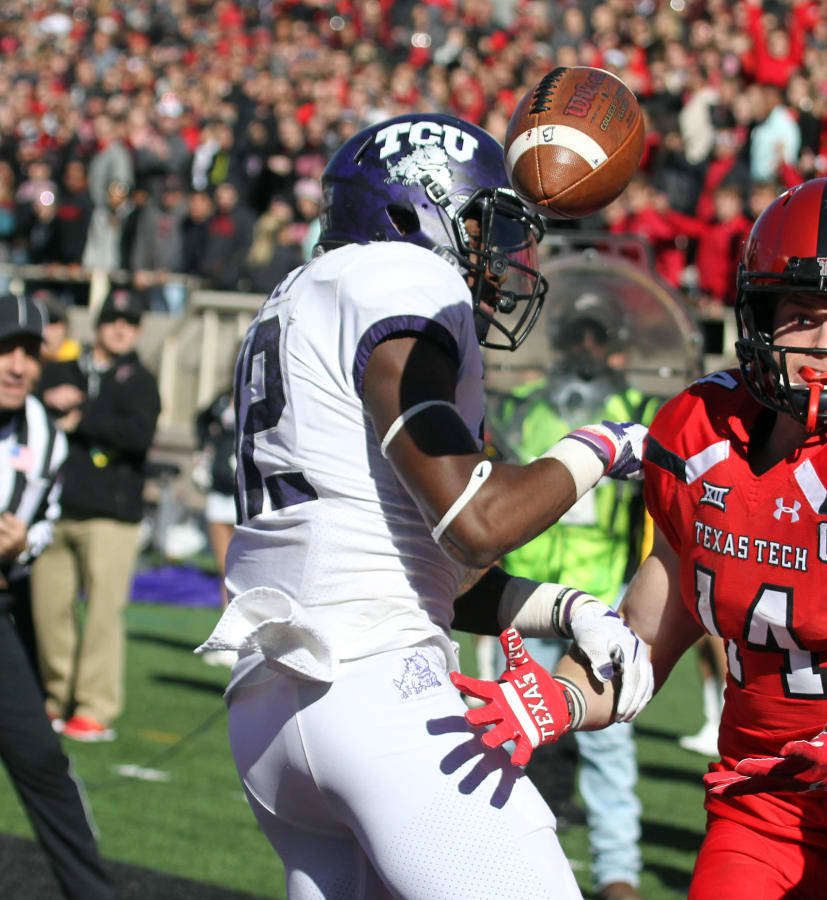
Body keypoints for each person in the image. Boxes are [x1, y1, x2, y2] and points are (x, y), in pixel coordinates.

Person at [457, 177, 827, 898]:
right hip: (764, 804)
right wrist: (556, 701)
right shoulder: (700, 432)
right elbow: (641, 644)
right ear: (760, 317)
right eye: (803, 316)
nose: (826, 347)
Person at [195, 113, 655, 899]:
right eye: (486, 227)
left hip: (274, 703)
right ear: (420, 211)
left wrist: (571, 608)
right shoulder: (396, 278)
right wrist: (606, 446)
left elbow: (431, 570)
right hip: (376, 695)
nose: (505, 259)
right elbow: (475, 521)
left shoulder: (300, 296)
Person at [494, 294, 658, 900]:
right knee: (510, 735)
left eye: (595, 337)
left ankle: (618, 874)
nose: (584, 350)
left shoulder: (633, 411)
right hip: (527, 594)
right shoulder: (524, 409)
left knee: (611, 743)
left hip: (602, 590)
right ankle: (509, 867)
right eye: (575, 337)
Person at [0, 292, 115, 899]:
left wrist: (23, 543)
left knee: (41, 759)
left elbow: (43, 517)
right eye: (5, 350)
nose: (18, 366)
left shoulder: (43, 429)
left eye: (28, 352)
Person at [32, 287, 161, 742]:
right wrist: (54, 395)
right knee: (49, 613)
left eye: (130, 322)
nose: (121, 328)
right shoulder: (64, 367)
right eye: (112, 320)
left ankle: (94, 708)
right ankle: (55, 699)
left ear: (140, 330)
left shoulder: (141, 379)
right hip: (57, 510)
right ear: (98, 325)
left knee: (103, 616)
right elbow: (35, 396)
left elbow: (138, 434)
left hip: (112, 516)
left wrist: (81, 414)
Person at [193, 389, 238, 667]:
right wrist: (204, 447)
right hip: (218, 489)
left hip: (244, 492)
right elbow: (200, 420)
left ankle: (245, 640)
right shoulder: (221, 399)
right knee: (225, 569)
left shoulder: (263, 391)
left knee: (243, 569)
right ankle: (228, 637)